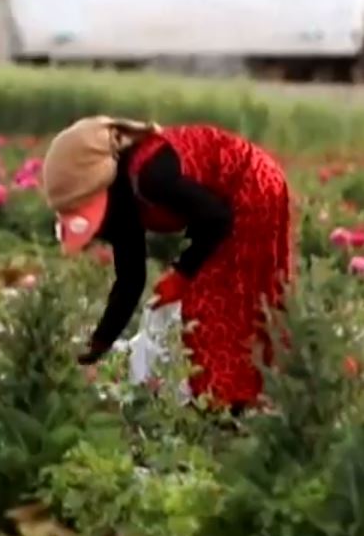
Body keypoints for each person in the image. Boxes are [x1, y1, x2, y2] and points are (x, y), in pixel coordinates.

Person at [41, 116, 293, 411]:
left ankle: (227, 405)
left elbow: (217, 217)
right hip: (227, 205)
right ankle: (235, 401)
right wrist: (97, 344)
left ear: (100, 183)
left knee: (216, 305)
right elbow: (130, 279)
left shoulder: (150, 176)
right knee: (225, 306)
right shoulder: (123, 204)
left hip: (251, 188)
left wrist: (183, 273)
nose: (98, 233)